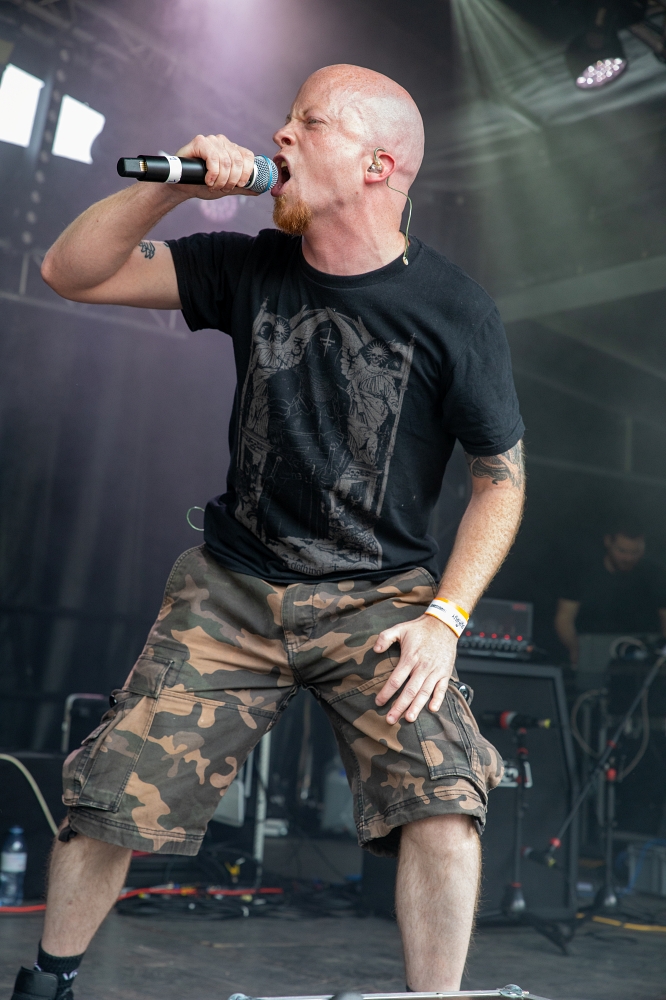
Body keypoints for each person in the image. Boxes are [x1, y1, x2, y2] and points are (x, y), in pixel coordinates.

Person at [11, 64, 525, 1000]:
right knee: (111, 795)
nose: (279, 136)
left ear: (378, 165)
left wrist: (445, 619)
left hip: (379, 601)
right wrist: (173, 187)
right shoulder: (247, 264)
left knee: (446, 800)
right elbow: (68, 272)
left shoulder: (455, 310)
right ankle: (47, 984)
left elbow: (501, 481)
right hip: (234, 589)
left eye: (309, 124)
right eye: (284, 120)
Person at [554, 523, 666, 666]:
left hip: (644, 656)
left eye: (635, 552)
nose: (628, 558)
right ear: (608, 542)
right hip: (592, 653)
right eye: (622, 551)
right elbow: (564, 619)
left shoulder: (655, 574)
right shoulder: (583, 573)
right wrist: (574, 649)